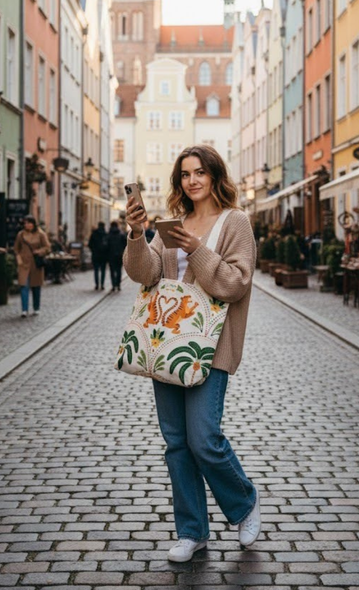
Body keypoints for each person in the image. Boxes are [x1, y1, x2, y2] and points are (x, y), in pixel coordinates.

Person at [123, 144, 260, 563]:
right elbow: (147, 276)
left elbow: (235, 284)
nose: (192, 180)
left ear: (215, 176)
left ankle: (243, 502)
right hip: (168, 344)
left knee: (204, 439)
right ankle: (192, 532)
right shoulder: (174, 223)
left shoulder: (235, 222)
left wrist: (196, 248)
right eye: (185, 174)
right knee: (177, 443)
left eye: (200, 172)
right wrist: (137, 235)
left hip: (211, 346)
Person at [14, 215, 50, 318]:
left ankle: (36, 308)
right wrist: (19, 259)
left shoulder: (41, 234)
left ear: (33, 224)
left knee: (36, 287)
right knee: (23, 286)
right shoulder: (20, 235)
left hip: (35, 263)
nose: (27, 225)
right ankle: (24, 310)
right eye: (25, 223)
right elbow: (16, 248)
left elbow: (47, 247)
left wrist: (39, 251)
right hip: (24, 264)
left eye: (29, 223)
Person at [88, 222, 109, 291]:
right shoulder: (106, 235)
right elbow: (109, 246)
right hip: (104, 256)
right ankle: (102, 285)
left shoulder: (94, 234)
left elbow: (90, 244)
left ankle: (97, 285)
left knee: (96, 270)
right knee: (103, 271)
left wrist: (93, 250)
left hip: (95, 255)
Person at [107, 220, 127, 292]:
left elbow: (107, 246)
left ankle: (113, 285)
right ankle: (118, 285)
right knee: (119, 271)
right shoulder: (121, 234)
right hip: (119, 255)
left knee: (112, 271)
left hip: (111, 255)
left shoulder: (109, 235)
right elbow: (125, 244)